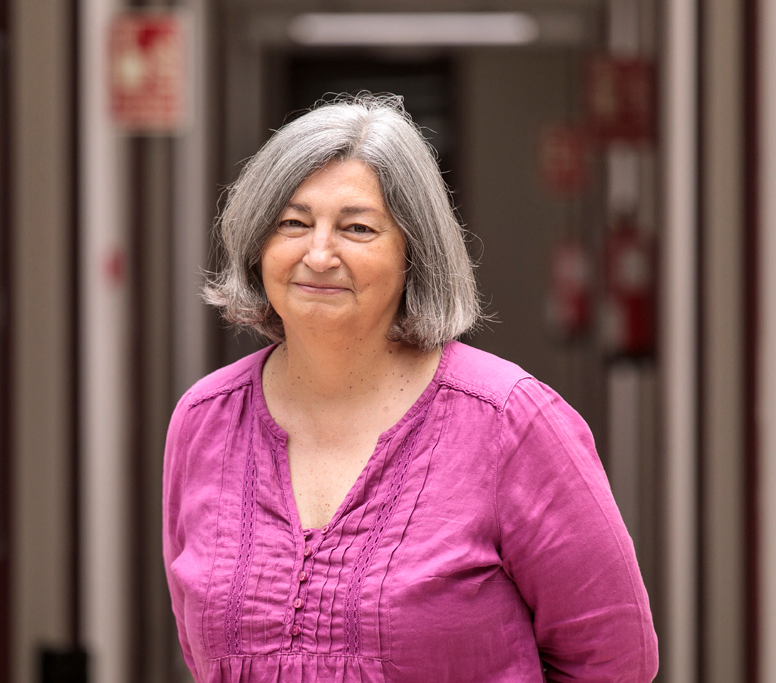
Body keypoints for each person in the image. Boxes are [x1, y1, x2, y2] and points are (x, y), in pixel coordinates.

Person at [162, 93, 657, 682]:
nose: (319, 254)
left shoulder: (512, 422)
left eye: (358, 228)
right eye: (292, 223)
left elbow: (616, 660)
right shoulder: (205, 420)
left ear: (412, 254)